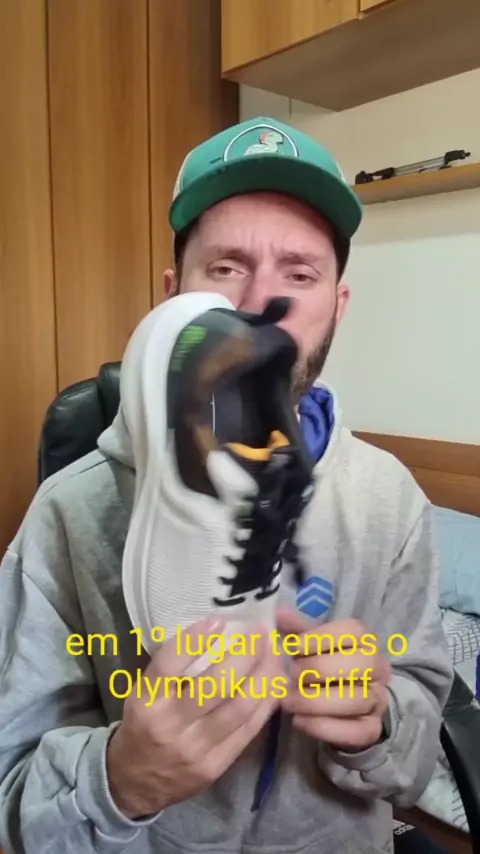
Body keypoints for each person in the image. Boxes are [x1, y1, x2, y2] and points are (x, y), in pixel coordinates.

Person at [0, 116, 453, 854]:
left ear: (337, 307)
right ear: (173, 296)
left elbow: (421, 742)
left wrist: (380, 724)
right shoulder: (70, 509)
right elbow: (10, 795)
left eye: (299, 274)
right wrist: (120, 780)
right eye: (226, 267)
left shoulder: (390, 499)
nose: (258, 305)